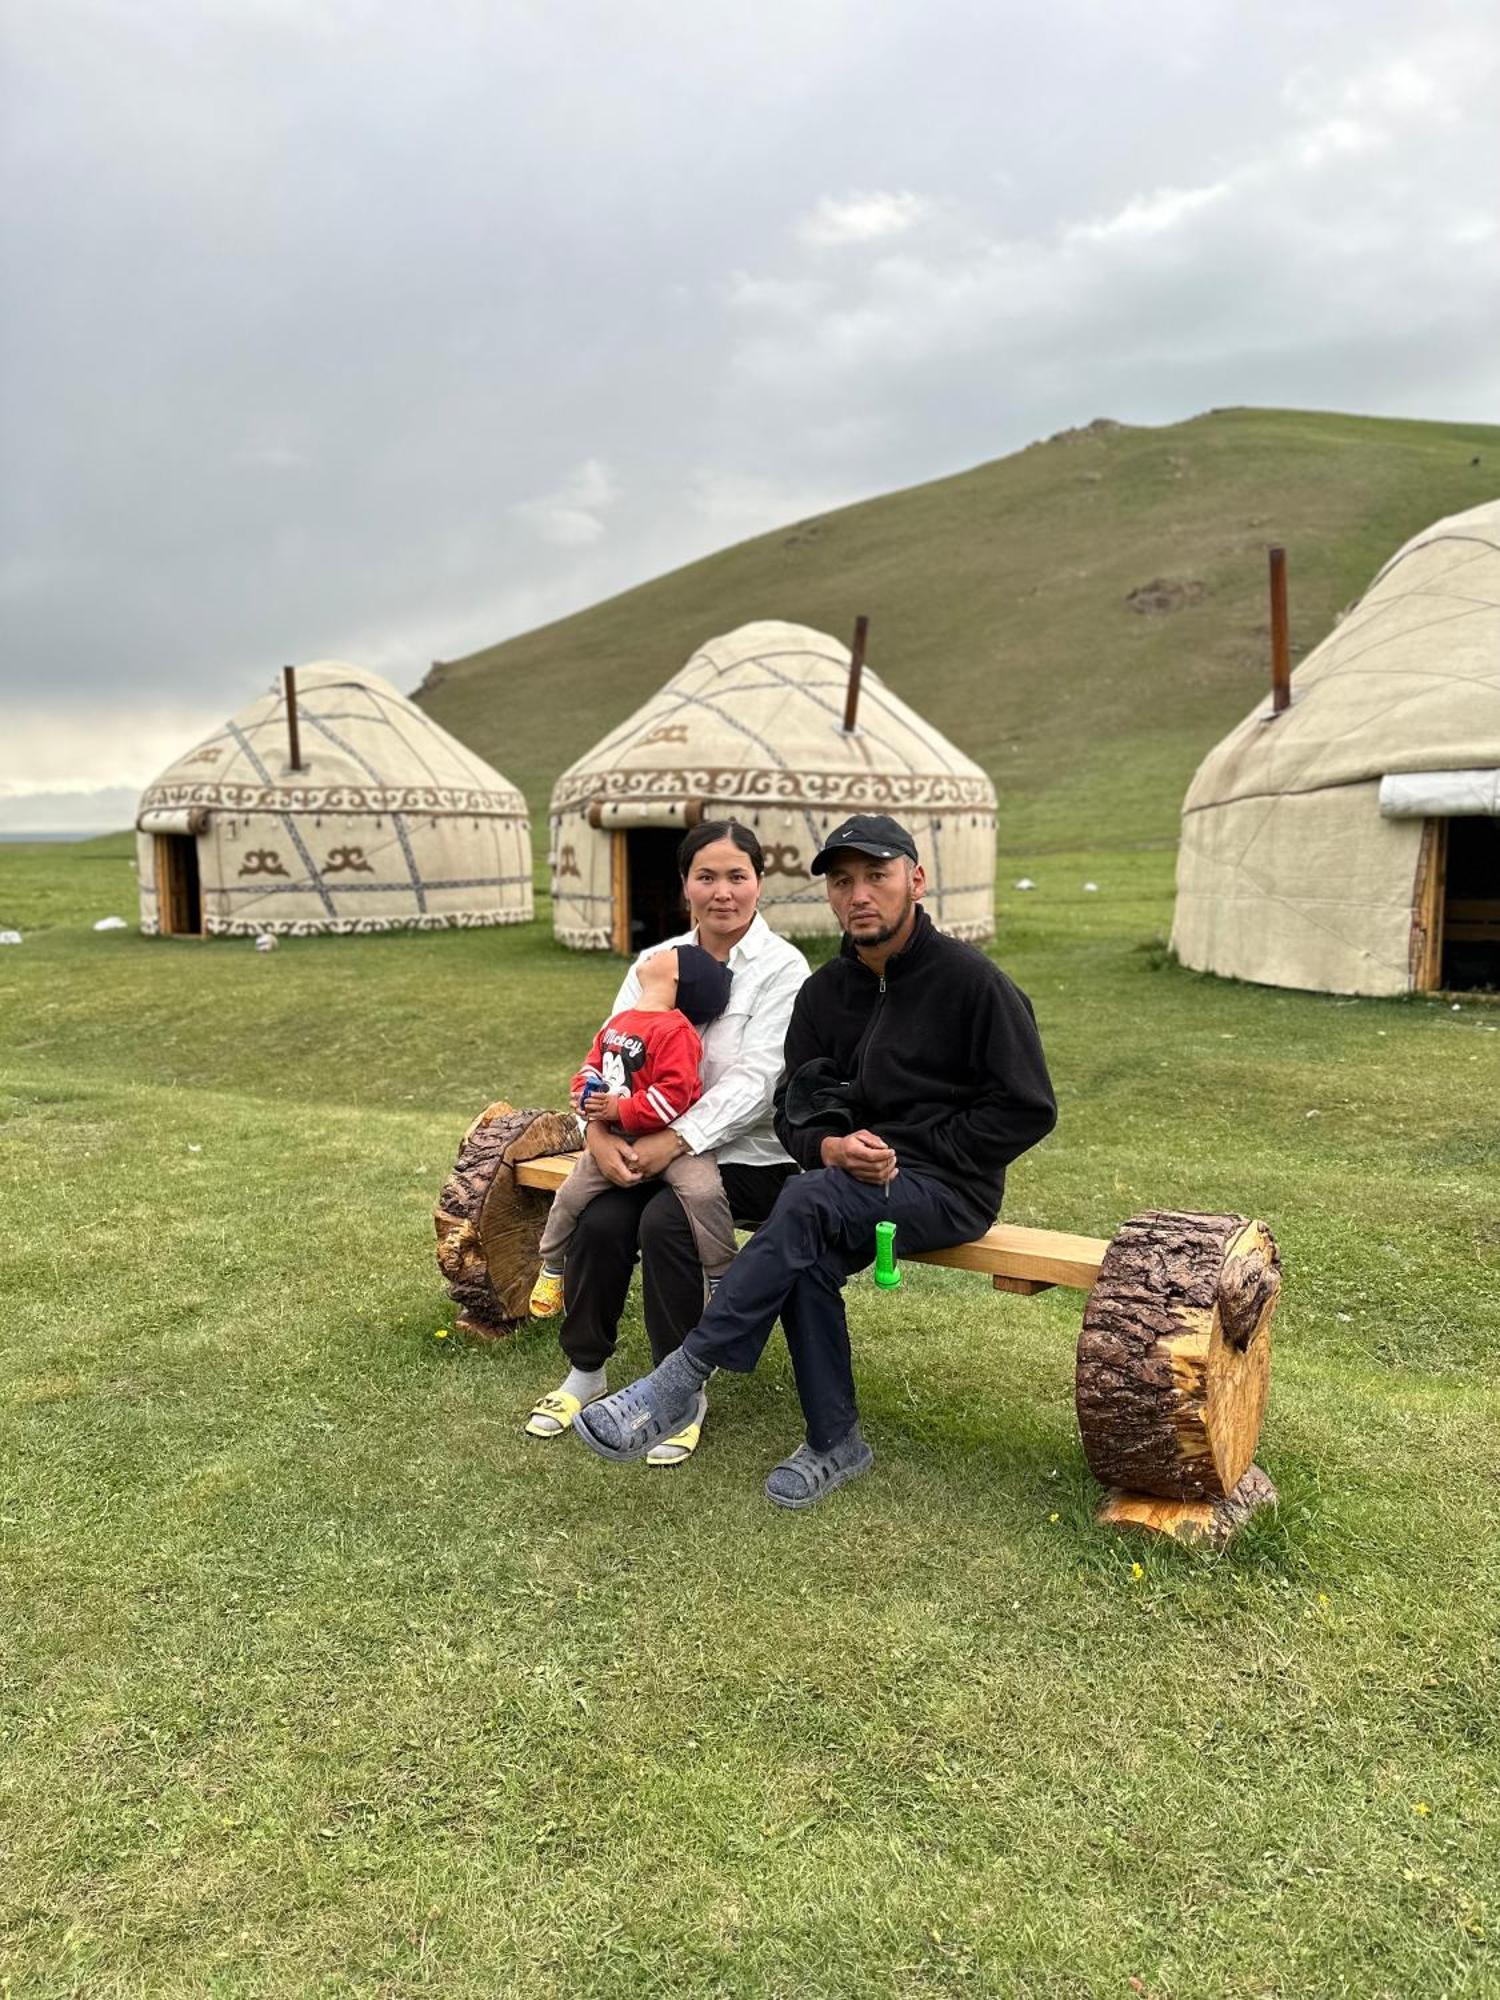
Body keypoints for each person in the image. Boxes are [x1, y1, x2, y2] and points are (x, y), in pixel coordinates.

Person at [571, 813, 1058, 1507]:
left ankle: (680, 1377)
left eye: (877, 876)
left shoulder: (974, 985)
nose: (860, 893)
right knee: (806, 1249)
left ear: (915, 881)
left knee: (804, 1204)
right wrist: (827, 1145)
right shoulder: (827, 993)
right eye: (843, 881)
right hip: (844, 1182)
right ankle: (837, 1441)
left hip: (949, 1189)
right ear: (829, 896)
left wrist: (906, 1153)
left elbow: (1026, 1107)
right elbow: (795, 1103)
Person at [522, 820, 810, 1464]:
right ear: (684, 886)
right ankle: (586, 1372)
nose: (722, 892)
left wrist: (674, 1142)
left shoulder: (782, 968)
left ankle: (675, 1391)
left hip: (747, 1154)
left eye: (738, 876)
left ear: (760, 882)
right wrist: (596, 1133)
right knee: (598, 1217)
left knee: (664, 1220)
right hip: (637, 1137)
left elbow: (760, 1082)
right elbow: (608, 1051)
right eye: (706, 876)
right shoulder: (657, 963)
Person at [529, 944, 737, 1315]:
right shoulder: (619, 1022)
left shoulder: (676, 1031)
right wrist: (585, 1095)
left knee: (704, 1192)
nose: (656, 952)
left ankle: (721, 1276)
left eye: (670, 952)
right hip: (616, 1141)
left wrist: (619, 1109)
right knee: (570, 1196)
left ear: (677, 976)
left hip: (670, 1142)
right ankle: (552, 1265)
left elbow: (673, 1096)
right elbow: (593, 1066)